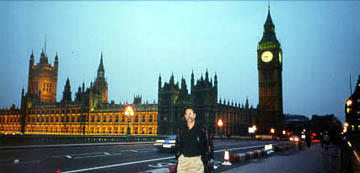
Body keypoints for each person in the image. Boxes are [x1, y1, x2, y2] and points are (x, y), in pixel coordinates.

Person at [175, 106, 214, 173]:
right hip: (183, 161)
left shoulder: (202, 129)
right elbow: (178, 143)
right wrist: (178, 156)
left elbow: (208, 144)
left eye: (190, 113)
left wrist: (206, 159)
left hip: (197, 161)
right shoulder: (181, 129)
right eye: (186, 114)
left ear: (194, 115)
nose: (188, 116)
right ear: (185, 116)